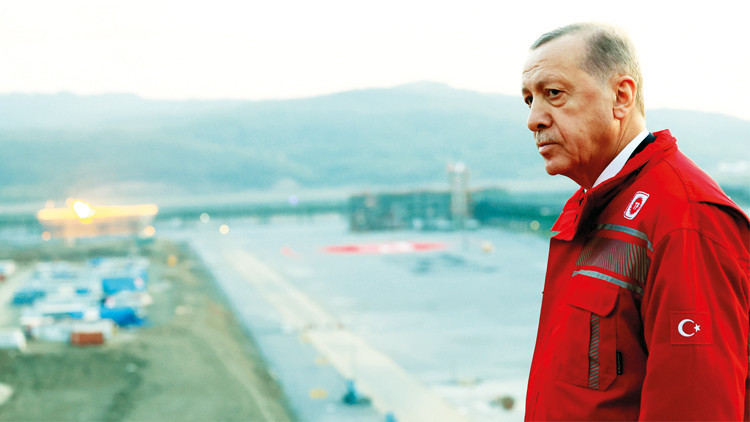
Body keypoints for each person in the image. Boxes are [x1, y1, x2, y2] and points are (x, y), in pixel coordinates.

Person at [521, 23, 749, 421]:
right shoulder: (596, 203)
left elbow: (694, 409)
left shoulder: (684, 219)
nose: (534, 119)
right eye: (529, 100)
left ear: (621, 97)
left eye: (553, 93)